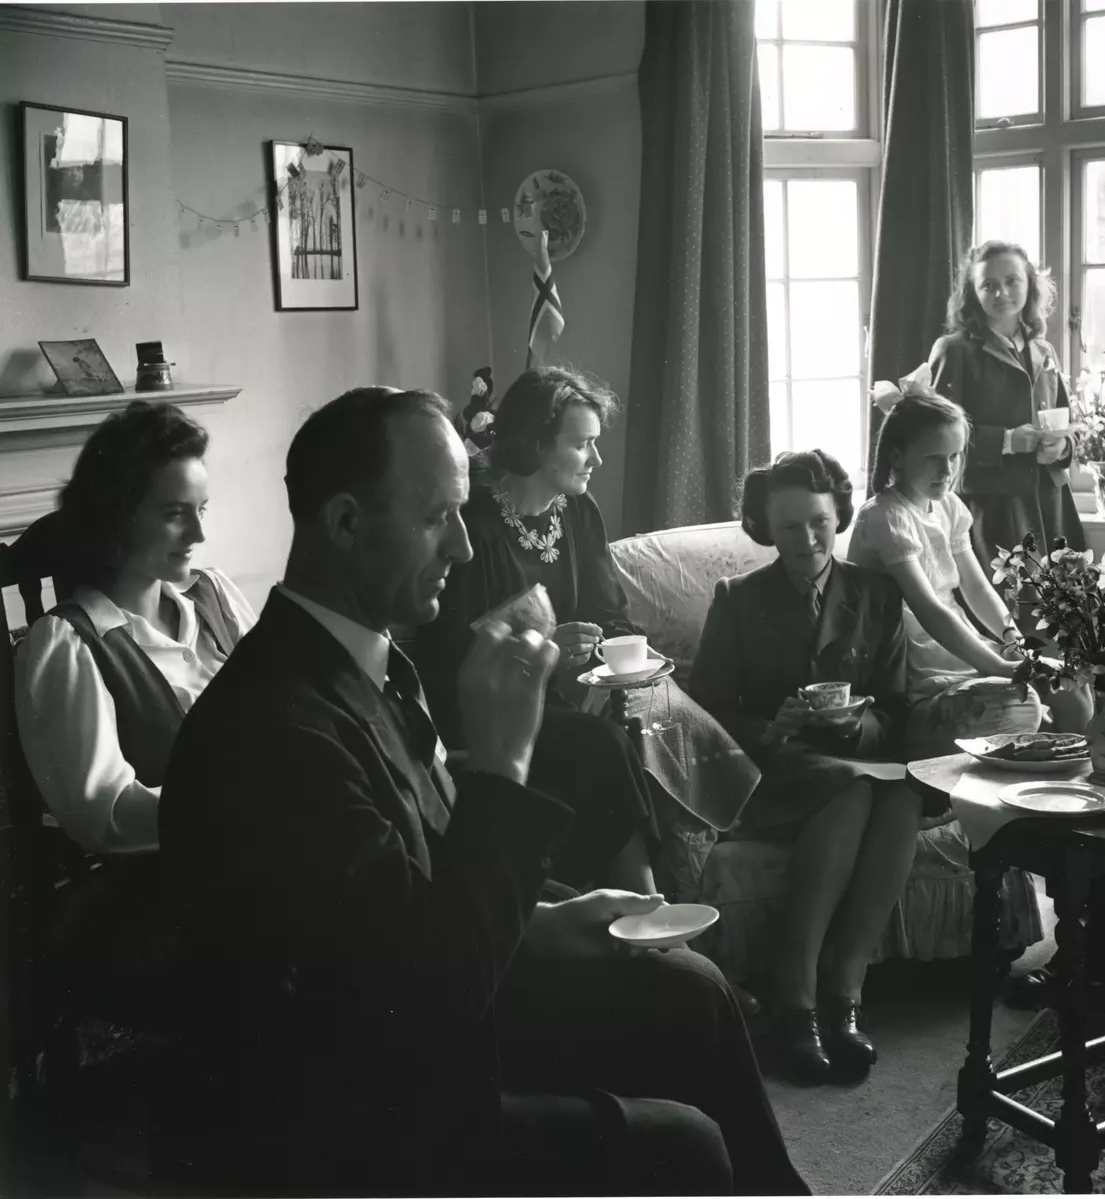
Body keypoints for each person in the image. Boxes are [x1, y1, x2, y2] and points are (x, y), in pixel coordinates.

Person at [159, 386, 808, 1197]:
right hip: (350, 1108)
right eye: (438, 518)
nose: (465, 549)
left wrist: (546, 918)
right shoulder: (272, 729)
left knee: (694, 993)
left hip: (423, 1011)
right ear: (346, 523)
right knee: (685, 1146)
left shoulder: (367, 663)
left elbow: (410, 887)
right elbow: (426, 992)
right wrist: (503, 758)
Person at [414, 366, 761, 898]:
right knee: (603, 742)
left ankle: (690, 864)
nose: (597, 460)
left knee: (658, 704)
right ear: (534, 445)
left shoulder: (578, 510)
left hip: (583, 691)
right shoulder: (476, 526)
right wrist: (550, 655)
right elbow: (451, 659)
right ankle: (645, 897)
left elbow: (612, 613)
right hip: (498, 711)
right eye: (582, 446)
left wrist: (607, 651)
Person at [689, 449, 927, 1083]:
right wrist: (772, 727)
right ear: (767, 527)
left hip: (857, 758)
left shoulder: (877, 593)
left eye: (819, 521)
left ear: (837, 517)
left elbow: (897, 708)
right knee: (850, 791)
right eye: (790, 526)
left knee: (904, 794)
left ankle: (844, 993)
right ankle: (797, 1004)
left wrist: (861, 723)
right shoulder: (738, 598)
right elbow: (705, 709)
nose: (807, 538)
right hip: (774, 767)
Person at [14, 401, 254, 995]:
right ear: (117, 516)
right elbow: (105, 813)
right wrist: (244, 809)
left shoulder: (215, 597)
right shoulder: (68, 644)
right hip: (166, 894)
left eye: (201, 511)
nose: (199, 534)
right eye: (176, 515)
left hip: (263, 857)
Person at [848, 392, 1091, 759]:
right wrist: (997, 665)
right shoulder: (886, 516)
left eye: (954, 456)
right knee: (1019, 703)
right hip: (917, 666)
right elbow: (929, 608)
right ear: (896, 456)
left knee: (1070, 680)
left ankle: (1077, 788)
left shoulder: (948, 506)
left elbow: (977, 588)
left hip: (963, 649)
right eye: (932, 458)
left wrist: (1014, 642)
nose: (947, 470)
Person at [929, 240, 1086, 581]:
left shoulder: (1043, 350)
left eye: (1012, 281)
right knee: (1007, 621)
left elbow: (1069, 427)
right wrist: (1007, 441)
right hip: (993, 509)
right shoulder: (953, 351)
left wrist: (1062, 449)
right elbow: (933, 438)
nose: (1002, 293)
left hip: (1052, 505)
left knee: (1063, 619)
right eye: (989, 285)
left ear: (1029, 283)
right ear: (973, 292)